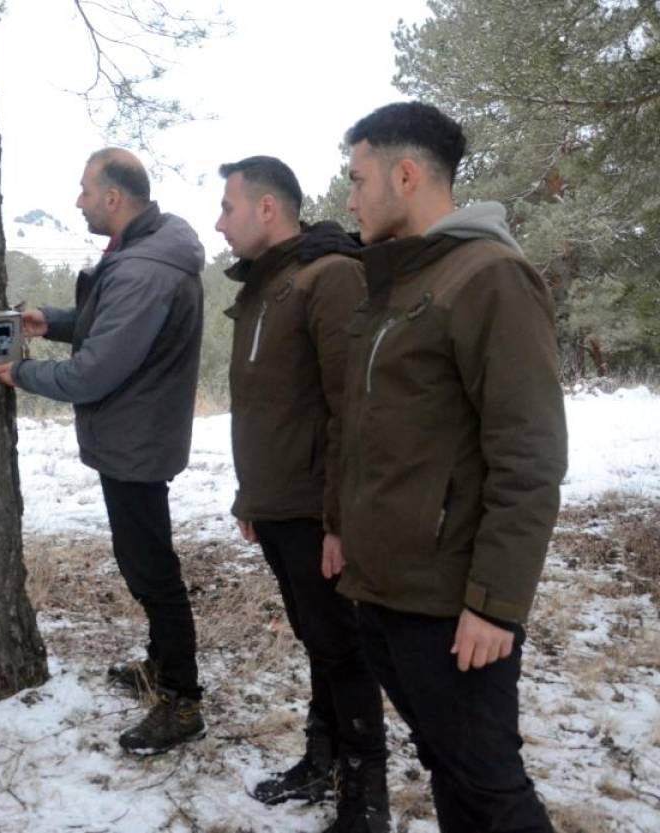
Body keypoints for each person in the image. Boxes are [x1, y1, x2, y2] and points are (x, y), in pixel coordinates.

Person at [338, 102, 567, 833]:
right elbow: (379, 433)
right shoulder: (402, 282)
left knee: (492, 788)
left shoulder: (489, 277)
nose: (349, 198)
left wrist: (496, 602)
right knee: (449, 766)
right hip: (388, 590)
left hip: (450, 603)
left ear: (405, 175)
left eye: (358, 178)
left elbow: (528, 453)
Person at [0, 147, 206, 754]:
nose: (79, 200)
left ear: (113, 197)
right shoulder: (148, 251)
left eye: (86, 190)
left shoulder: (143, 269)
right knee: (146, 562)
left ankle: (182, 700)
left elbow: (92, 372)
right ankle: (161, 667)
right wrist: (50, 320)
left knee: (152, 571)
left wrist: (20, 374)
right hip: (138, 434)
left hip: (136, 441)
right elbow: (107, 324)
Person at [214, 155, 389, 832]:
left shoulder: (331, 276)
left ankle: (365, 796)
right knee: (319, 639)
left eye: (228, 207)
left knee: (343, 646)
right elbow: (266, 404)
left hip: (320, 508)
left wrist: (341, 517)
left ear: (266, 209)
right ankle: (321, 760)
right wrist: (250, 496)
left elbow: (352, 406)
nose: (219, 221)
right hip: (279, 503)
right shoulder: (266, 284)